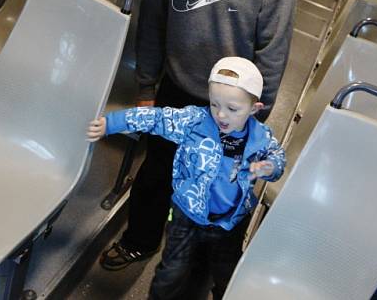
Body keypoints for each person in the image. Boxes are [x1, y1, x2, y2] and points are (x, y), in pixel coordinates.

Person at [99, 0, 296, 270]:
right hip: (176, 86)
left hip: (231, 104)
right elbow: (153, 17)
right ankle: (140, 239)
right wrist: (148, 87)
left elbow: (273, 51)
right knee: (155, 172)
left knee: (217, 184)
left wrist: (253, 119)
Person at [87, 57, 286, 299]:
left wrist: (270, 167)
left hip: (230, 222)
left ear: (255, 109)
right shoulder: (194, 121)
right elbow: (156, 118)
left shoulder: (261, 137)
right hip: (186, 215)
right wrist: (112, 123)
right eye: (215, 104)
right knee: (172, 270)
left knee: (227, 272)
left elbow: (277, 157)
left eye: (232, 108)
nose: (221, 115)